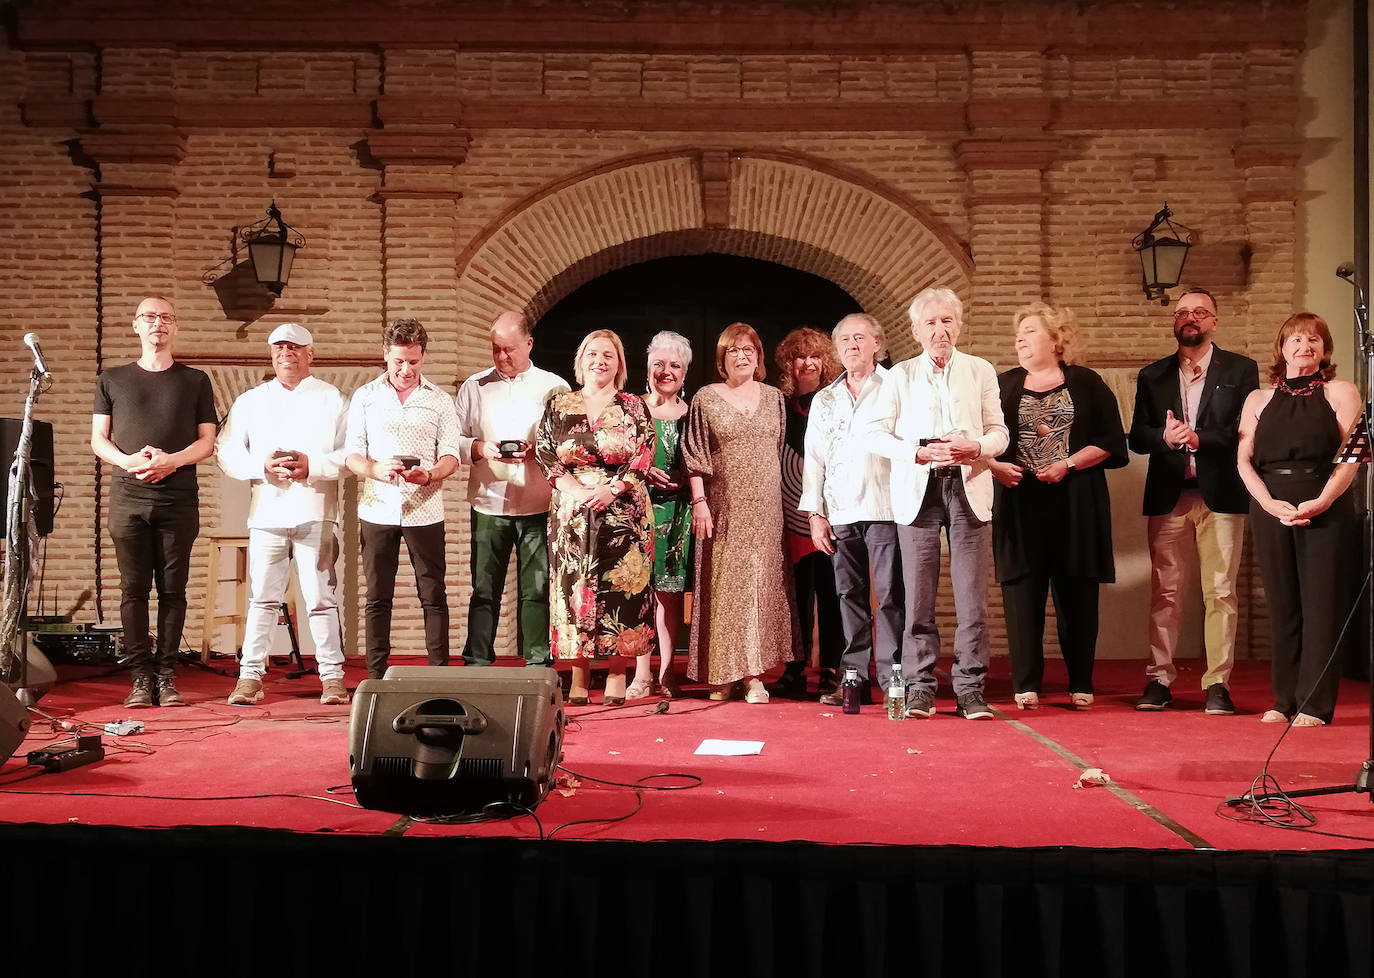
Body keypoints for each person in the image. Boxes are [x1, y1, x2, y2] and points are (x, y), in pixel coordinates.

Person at [865, 287, 1008, 719]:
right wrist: (917, 452)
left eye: (947, 321)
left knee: (971, 599)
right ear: (915, 330)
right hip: (918, 491)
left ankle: (970, 688)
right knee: (918, 599)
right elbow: (872, 434)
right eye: (930, 322)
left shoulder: (980, 369)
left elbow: (1000, 433)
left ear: (958, 326)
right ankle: (920, 687)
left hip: (968, 486)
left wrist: (975, 447)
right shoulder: (898, 376)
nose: (939, 330)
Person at [989, 303, 1127, 710]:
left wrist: (1067, 464)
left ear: (1055, 340)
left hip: (1076, 502)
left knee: (1077, 593)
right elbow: (984, 439)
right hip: (1019, 501)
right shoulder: (1003, 385)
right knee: (1022, 594)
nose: (1021, 339)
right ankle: (1026, 683)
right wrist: (995, 467)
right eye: (1019, 333)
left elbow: (1111, 441)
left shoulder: (1086, 382)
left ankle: (1080, 682)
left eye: (1030, 331)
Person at [1129, 288, 1259, 714]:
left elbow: (1245, 432)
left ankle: (1217, 683)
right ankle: (1159, 679)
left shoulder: (1241, 370)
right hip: (1171, 496)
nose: (1191, 318)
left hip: (1221, 495)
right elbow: (1137, 436)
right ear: (1174, 322)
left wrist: (1200, 438)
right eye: (1183, 312)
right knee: (1166, 592)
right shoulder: (1153, 375)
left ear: (1214, 321)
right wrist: (1163, 437)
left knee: (1220, 592)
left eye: (1200, 312)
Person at [91, 295, 217, 708]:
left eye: (165, 317)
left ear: (175, 327)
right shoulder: (112, 378)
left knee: (173, 590)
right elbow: (99, 440)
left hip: (178, 497)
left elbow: (207, 442)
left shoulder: (195, 380)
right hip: (129, 495)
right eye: (149, 316)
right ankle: (140, 678)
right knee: (132, 589)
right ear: (136, 326)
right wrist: (128, 462)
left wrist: (170, 461)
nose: (157, 323)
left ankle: (166, 676)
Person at [1237, 313, 1362, 726]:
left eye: (1313, 340)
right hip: (1270, 504)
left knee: (1321, 605)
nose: (1304, 346)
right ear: (1281, 347)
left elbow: (1351, 458)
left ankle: (1315, 704)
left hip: (1326, 502)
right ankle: (1284, 698)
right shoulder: (1257, 399)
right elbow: (1243, 460)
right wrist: (1269, 503)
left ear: (1325, 350)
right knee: (1283, 604)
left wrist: (1322, 501)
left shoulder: (1342, 391)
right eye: (1295, 339)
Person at [217, 323, 351, 707]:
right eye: (278, 348)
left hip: (317, 511)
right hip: (268, 513)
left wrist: (314, 466)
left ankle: (332, 676)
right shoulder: (251, 400)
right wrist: (261, 467)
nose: (285, 354)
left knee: (321, 597)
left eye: (295, 348)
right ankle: (249, 677)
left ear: (311, 354)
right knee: (262, 598)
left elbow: (350, 453)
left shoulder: (333, 399)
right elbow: (226, 452)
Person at [536, 329, 656, 705]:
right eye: (592, 354)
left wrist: (612, 490)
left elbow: (644, 452)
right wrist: (572, 489)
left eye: (608, 355)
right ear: (580, 359)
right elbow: (544, 450)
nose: (599, 361)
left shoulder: (633, 405)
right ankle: (578, 674)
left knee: (623, 590)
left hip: (623, 512)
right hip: (572, 511)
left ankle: (618, 672)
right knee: (575, 591)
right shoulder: (560, 404)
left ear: (619, 363)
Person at [683, 323, 802, 703]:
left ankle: (754, 676)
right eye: (733, 350)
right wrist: (700, 502)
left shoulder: (774, 398)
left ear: (759, 356)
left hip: (767, 508)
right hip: (722, 505)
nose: (742, 355)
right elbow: (696, 454)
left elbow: (777, 447)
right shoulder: (706, 397)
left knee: (760, 588)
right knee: (724, 588)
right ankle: (722, 673)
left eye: (749, 349)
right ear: (722, 359)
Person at [344, 318, 460, 679]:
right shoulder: (366, 396)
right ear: (385, 355)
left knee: (433, 595)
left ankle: (438, 673)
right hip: (378, 508)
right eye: (398, 361)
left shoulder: (440, 400)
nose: (406, 370)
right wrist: (375, 469)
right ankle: (376, 676)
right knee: (378, 596)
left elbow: (451, 456)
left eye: (413, 361)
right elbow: (352, 454)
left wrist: (430, 474)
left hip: (425, 510)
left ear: (423, 357)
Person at [454, 310, 569, 667]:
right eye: (496, 349)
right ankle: (477, 660)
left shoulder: (554, 386)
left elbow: (568, 443)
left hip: (537, 502)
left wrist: (540, 451)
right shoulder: (475, 386)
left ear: (529, 344)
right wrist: (478, 447)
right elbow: (450, 440)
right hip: (488, 503)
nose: (503, 357)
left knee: (535, 589)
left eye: (510, 349)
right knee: (484, 589)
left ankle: (536, 661)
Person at [799, 312, 901, 708]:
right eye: (844, 341)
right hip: (840, 511)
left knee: (892, 596)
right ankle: (854, 680)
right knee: (848, 596)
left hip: (888, 507)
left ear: (878, 343)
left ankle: (895, 678)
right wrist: (815, 514)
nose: (852, 346)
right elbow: (815, 459)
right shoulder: (825, 398)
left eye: (860, 338)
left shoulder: (897, 387)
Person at [771, 326, 844, 700]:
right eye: (800, 356)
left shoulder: (835, 401)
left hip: (829, 510)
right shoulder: (779, 405)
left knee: (833, 593)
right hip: (788, 510)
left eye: (815, 356)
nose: (808, 363)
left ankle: (833, 668)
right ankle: (794, 669)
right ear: (788, 363)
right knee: (796, 596)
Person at [628, 331, 693, 700]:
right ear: (648, 367)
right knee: (639, 593)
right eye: (659, 364)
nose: (665, 371)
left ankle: (668, 671)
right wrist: (642, 469)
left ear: (685, 373)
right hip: (636, 510)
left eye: (674, 365)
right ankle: (641, 673)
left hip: (678, 511)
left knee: (669, 595)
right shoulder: (631, 407)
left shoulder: (691, 413)